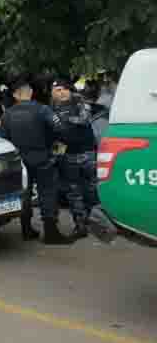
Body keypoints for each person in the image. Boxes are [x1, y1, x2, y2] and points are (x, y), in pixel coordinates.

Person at [0, 80, 73, 244]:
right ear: (31, 92)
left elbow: (2, 140)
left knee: (24, 194)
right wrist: (56, 150)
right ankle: (51, 233)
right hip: (43, 158)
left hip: (20, 161)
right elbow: (61, 130)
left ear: (15, 95)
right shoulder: (43, 109)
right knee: (47, 193)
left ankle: (26, 230)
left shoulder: (7, 114)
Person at [50, 79, 98, 239]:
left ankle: (96, 220)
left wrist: (63, 120)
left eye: (64, 89)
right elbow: (56, 137)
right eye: (57, 90)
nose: (61, 92)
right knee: (73, 192)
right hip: (68, 155)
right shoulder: (51, 110)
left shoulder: (80, 102)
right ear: (52, 93)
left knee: (92, 190)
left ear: (70, 90)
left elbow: (84, 120)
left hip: (87, 154)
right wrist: (56, 156)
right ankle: (80, 224)